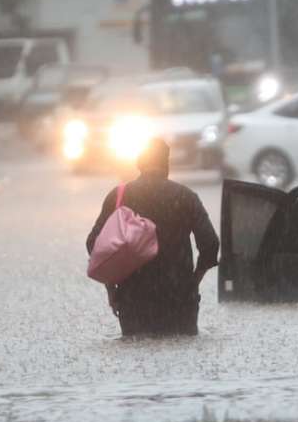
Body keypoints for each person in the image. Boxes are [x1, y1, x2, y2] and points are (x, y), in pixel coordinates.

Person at [86, 138, 219, 336]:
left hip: (133, 301)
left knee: (135, 358)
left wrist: (112, 289)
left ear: (139, 163)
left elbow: (95, 246)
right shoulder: (186, 196)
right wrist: (193, 282)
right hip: (179, 299)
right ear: (167, 165)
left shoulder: (119, 197)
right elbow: (210, 244)